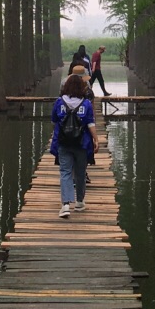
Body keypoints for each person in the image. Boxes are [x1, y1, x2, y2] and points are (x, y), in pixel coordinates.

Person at [50, 73, 97, 218]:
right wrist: (96, 139)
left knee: (65, 172)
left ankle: (65, 205)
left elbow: (54, 120)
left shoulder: (59, 102)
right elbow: (90, 123)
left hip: (64, 142)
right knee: (80, 172)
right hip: (82, 143)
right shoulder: (86, 104)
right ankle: (80, 202)